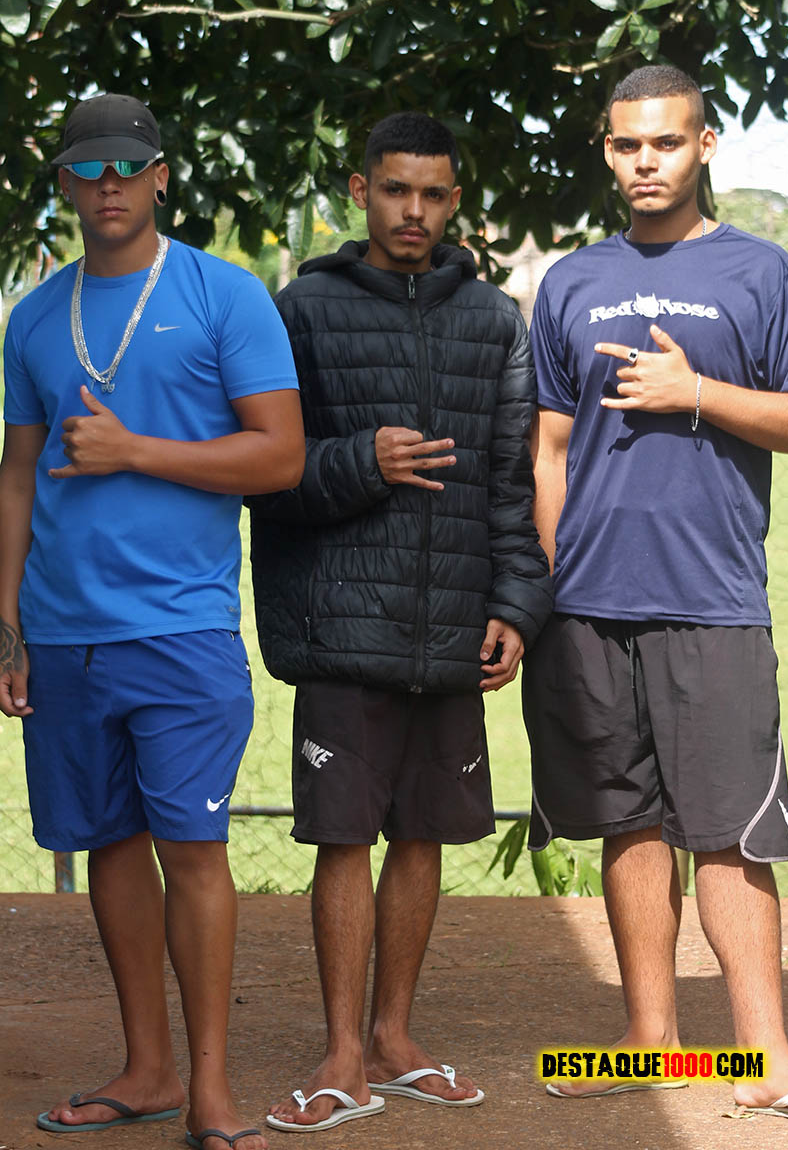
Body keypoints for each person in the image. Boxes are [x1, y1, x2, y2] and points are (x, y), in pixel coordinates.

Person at [0, 93, 305, 1150]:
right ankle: (148, 1069)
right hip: (61, 631)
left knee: (194, 848)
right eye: (88, 170)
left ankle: (212, 1090)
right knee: (110, 846)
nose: (110, 186)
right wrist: (7, 623)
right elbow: (17, 475)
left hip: (181, 627)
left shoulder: (225, 295)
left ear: (162, 174)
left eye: (128, 166)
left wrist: (136, 451)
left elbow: (280, 456)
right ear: (64, 184)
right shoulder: (34, 316)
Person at [248, 111, 552, 1131]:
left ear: (453, 201)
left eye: (430, 194)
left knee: (422, 836)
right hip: (342, 625)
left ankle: (393, 1037)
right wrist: (359, 462)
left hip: (452, 626)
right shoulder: (302, 311)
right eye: (393, 190)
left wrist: (514, 605)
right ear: (360, 191)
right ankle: (341, 1054)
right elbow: (266, 475)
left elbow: (510, 485)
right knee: (343, 839)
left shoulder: (494, 321)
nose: (411, 210)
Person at [525, 63, 788, 1119]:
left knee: (728, 830)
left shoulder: (762, 272)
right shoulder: (569, 280)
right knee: (626, 824)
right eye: (628, 144)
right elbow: (549, 448)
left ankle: (765, 1056)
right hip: (588, 606)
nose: (647, 161)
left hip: (712, 599)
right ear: (608, 151)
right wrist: (551, 580)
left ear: (703, 145)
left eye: (667, 142)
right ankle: (651, 1041)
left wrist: (697, 391)